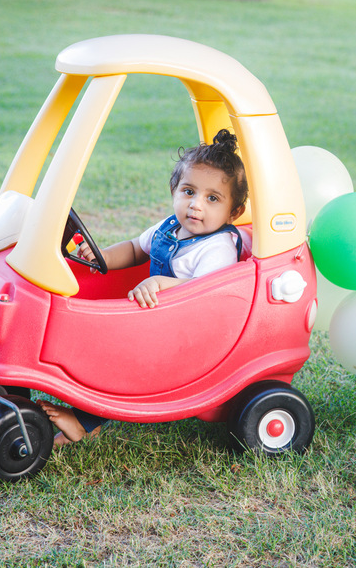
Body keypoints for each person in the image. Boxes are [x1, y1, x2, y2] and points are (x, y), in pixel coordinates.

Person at [38, 129, 249, 445]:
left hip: (189, 340)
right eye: (188, 191)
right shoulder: (171, 227)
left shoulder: (217, 248)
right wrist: (103, 256)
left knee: (124, 362)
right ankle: (80, 404)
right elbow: (137, 247)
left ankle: (82, 423)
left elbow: (207, 296)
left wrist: (161, 282)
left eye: (212, 198)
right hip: (156, 323)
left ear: (233, 212)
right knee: (102, 342)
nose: (196, 205)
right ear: (174, 191)